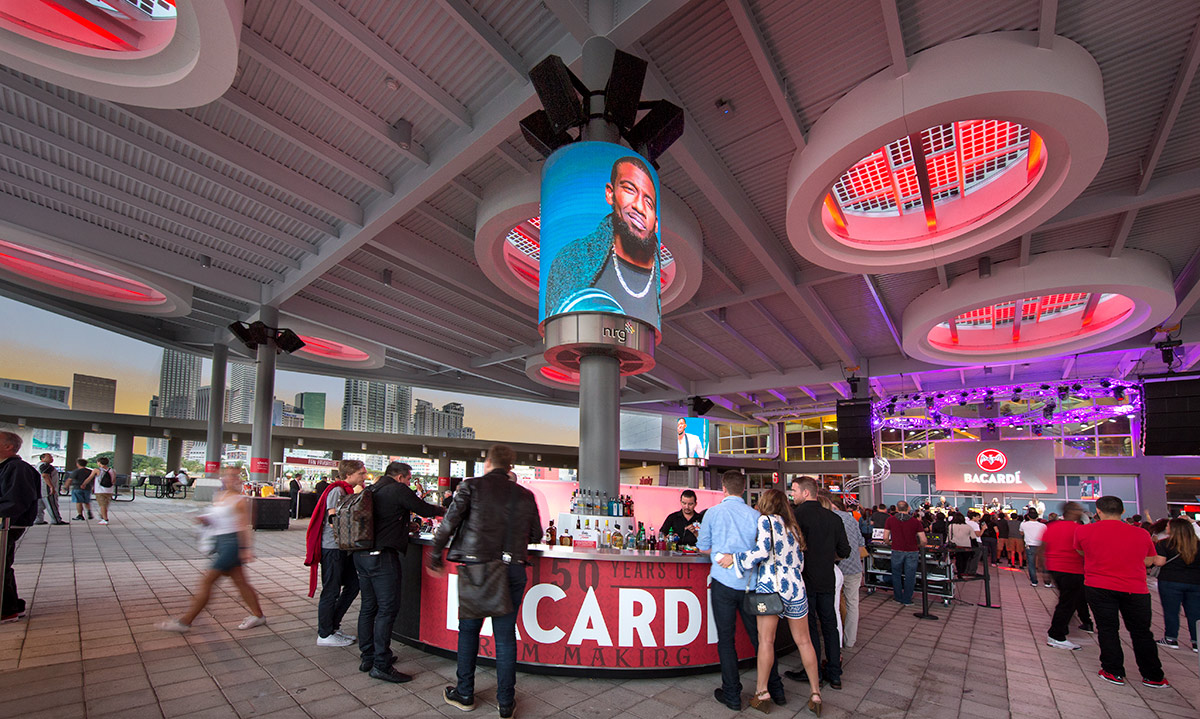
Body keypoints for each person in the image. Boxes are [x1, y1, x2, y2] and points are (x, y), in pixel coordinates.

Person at [430, 444, 541, 718]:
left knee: (469, 631)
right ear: (510, 466)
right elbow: (537, 534)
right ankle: (505, 703)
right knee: (505, 638)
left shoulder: (471, 487)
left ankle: (465, 693)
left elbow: (448, 524)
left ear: (488, 462)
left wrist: (435, 555)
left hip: (479, 569)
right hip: (513, 568)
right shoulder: (525, 495)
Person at [718, 489, 823, 715]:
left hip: (771, 587)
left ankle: (762, 693)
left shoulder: (766, 521)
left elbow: (761, 552)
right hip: (796, 587)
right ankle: (815, 693)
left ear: (765, 503)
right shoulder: (793, 527)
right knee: (804, 641)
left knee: (766, 640)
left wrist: (734, 559)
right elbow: (800, 562)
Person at [698, 470, 786, 710]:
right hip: (753, 585)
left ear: (723, 489)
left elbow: (703, 548)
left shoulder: (712, 513)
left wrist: (720, 550)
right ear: (744, 490)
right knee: (762, 640)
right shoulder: (757, 516)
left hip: (723, 585)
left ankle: (732, 695)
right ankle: (776, 689)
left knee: (726, 640)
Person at [354, 461, 444, 682]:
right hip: (383, 557)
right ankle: (381, 665)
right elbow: (425, 509)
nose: (409, 482)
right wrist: (447, 510)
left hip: (361, 555)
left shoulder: (372, 489)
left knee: (368, 607)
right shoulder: (397, 489)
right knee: (387, 610)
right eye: (409, 478)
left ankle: (369, 656)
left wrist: (405, 526)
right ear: (402, 476)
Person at [544, 155, 661, 321]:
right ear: (610, 194)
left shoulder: (657, 282)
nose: (639, 206)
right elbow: (557, 330)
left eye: (648, 203)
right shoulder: (573, 260)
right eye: (629, 189)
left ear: (656, 223)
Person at [1074, 495, 1169, 688]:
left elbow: (1082, 552)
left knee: (1108, 629)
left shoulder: (1084, 531)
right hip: (1135, 588)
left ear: (1098, 511)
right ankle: (1153, 676)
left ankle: (1113, 671)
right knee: (1142, 632)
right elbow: (1150, 561)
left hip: (1098, 585)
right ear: (1122, 511)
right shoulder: (1141, 534)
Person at [158, 465, 266, 633]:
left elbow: (245, 526)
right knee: (241, 583)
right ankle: (258, 615)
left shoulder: (240, 500)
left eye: (235, 476)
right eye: (228, 476)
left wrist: (246, 548)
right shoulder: (220, 496)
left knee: (207, 581)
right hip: (221, 543)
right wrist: (204, 520)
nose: (232, 479)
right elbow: (218, 519)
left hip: (232, 544)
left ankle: (185, 621)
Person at [786, 477, 850, 690]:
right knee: (830, 625)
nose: (791, 494)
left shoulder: (796, 516)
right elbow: (845, 551)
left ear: (806, 492)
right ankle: (835, 673)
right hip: (827, 579)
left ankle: (812, 671)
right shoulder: (834, 518)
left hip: (805, 580)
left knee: (810, 627)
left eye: (794, 490)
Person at [305, 459, 367, 647]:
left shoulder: (344, 490)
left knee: (352, 585)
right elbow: (334, 519)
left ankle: (332, 626)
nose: (364, 476)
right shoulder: (337, 491)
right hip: (332, 548)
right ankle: (324, 633)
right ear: (349, 475)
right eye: (361, 473)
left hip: (340, 548)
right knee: (331, 590)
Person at [1042, 502, 1093, 650]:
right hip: (1071, 570)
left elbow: (1042, 547)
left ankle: (1061, 630)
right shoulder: (1079, 529)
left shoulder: (1052, 526)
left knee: (1067, 601)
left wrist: (1044, 569)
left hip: (1056, 569)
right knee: (1067, 603)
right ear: (1071, 511)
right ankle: (1056, 635)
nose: (1081, 511)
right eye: (1078, 509)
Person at [0, 432, 39, 623]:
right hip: (6, 522)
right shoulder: (8, 467)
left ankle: (7, 608)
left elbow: (16, 501)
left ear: (9, 446)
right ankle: (11, 605)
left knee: (1, 565)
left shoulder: (17, 468)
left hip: (7, 524)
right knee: (2, 564)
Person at [1154, 517, 1200, 653]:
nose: (1166, 528)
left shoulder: (1165, 544)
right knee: (1195, 613)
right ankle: (1197, 642)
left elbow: (1159, 562)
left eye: (1168, 526)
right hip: (1195, 582)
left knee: (1171, 611)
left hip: (1170, 581)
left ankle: (1170, 638)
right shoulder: (1197, 544)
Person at [828, 494, 865, 648]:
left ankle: (837, 640)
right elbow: (861, 541)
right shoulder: (850, 518)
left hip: (837, 567)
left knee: (835, 605)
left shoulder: (830, 518)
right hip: (854, 567)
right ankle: (850, 640)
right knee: (852, 603)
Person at [883, 501, 927, 605]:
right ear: (908, 509)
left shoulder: (890, 520)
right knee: (910, 575)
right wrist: (918, 545)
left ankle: (898, 597)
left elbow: (885, 537)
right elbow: (924, 540)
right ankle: (907, 599)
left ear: (897, 509)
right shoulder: (916, 522)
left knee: (896, 574)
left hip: (896, 549)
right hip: (912, 550)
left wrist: (889, 542)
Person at [33, 453, 64, 525]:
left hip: (39, 488)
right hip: (46, 488)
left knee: (39, 505)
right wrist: (51, 487)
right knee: (52, 504)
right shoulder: (46, 466)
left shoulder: (37, 465)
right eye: (49, 457)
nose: (52, 458)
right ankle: (56, 520)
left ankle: (38, 519)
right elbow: (45, 475)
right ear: (42, 458)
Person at [1021, 510, 1048, 587]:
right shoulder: (1043, 526)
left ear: (1028, 516)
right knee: (1044, 564)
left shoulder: (1024, 524)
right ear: (1038, 517)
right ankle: (1047, 582)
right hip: (1041, 545)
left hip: (1029, 545)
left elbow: (1021, 532)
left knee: (1031, 564)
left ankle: (1034, 581)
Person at [88, 456, 116, 525]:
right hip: (109, 490)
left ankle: (105, 519)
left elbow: (89, 478)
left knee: (102, 505)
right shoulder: (112, 470)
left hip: (100, 490)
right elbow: (114, 481)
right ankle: (102, 515)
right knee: (105, 505)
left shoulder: (97, 470)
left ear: (99, 463)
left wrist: (84, 484)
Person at [948, 513, 974, 577]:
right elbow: (973, 537)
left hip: (956, 545)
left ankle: (959, 571)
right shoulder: (968, 527)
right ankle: (962, 572)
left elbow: (949, 536)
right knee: (965, 560)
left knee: (958, 559)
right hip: (966, 545)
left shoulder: (951, 526)